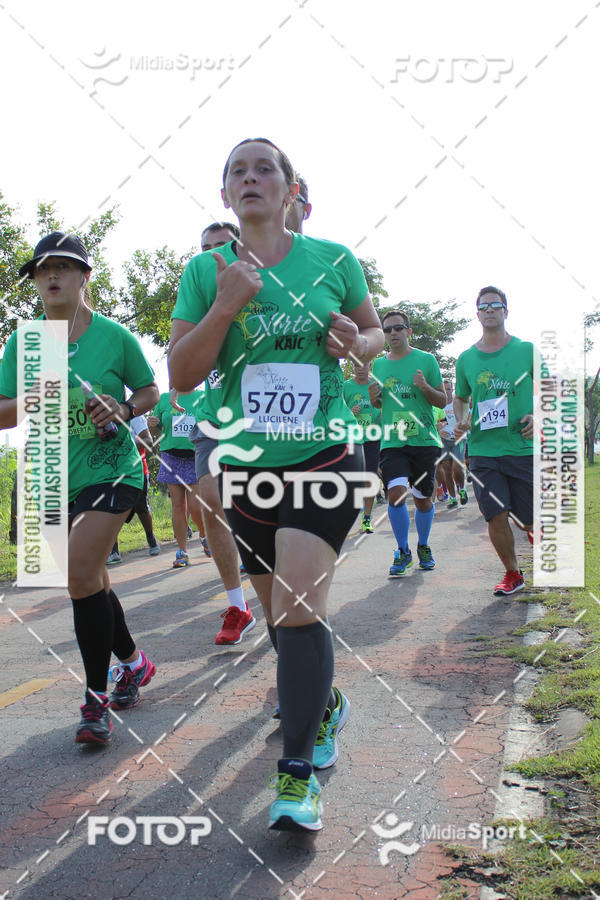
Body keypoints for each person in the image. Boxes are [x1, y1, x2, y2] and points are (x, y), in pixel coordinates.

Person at [168, 137, 384, 832]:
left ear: (292, 190)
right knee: (279, 616)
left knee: (294, 606)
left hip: (323, 458)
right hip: (247, 472)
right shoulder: (206, 272)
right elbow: (179, 373)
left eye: (266, 168)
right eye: (238, 171)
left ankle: (296, 779)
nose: (251, 177)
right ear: (225, 195)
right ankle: (321, 705)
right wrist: (226, 306)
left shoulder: (334, 260)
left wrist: (357, 342)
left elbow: (374, 335)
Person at [0, 232, 159, 744]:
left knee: (76, 571)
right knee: (88, 577)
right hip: (52, 470)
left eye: (63, 267)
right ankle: (133, 663)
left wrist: (125, 408)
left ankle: (95, 703)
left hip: (113, 467)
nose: (50, 276)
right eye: (42, 270)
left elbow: (150, 390)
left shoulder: (114, 336)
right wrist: (36, 397)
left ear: (85, 276)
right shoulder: (24, 343)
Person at [187, 220, 254, 645]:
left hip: (260, 423)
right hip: (212, 422)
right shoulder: (195, 304)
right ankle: (237, 604)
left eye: (223, 246)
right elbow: (184, 369)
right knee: (211, 503)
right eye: (205, 248)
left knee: (260, 513)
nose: (214, 256)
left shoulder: (261, 296)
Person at [454, 286, 533, 595]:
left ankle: (531, 527)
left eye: (495, 305)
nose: (489, 310)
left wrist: (537, 416)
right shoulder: (466, 358)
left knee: (528, 520)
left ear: (505, 311)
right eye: (483, 306)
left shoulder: (526, 350)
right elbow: (460, 398)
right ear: (477, 314)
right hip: (484, 450)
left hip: (521, 447)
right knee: (495, 513)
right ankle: (512, 573)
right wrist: (461, 417)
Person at [370, 310, 446, 576]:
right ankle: (402, 550)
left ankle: (423, 546)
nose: (393, 333)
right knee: (396, 493)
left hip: (424, 441)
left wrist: (425, 386)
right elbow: (379, 403)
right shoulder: (378, 365)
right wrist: (374, 398)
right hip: (393, 441)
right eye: (388, 329)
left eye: (398, 328)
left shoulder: (426, 360)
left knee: (424, 500)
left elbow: (442, 400)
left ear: (408, 331)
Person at [147, 388, 210, 567]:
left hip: (195, 455)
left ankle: (204, 536)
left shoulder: (202, 396)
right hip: (171, 456)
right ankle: (182, 552)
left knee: (196, 506)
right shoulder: (165, 399)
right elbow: (158, 430)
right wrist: (152, 424)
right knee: (178, 506)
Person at [106, 414, 160, 563]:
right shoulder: (102, 415)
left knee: (141, 508)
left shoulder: (134, 415)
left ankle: (150, 537)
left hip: (136, 470)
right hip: (110, 471)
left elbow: (148, 441)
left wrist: (129, 442)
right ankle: (113, 550)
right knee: (110, 509)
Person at [343, 360, 381, 532]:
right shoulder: (346, 387)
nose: (360, 369)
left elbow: (387, 407)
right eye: (357, 366)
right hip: (352, 439)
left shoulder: (377, 385)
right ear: (353, 367)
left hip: (373, 439)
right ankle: (347, 515)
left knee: (370, 478)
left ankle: (367, 518)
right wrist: (349, 413)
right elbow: (336, 411)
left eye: (363, 365)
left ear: (369, 365)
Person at [437, 379, 468, 509]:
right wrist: (438, 429)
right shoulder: (437, 404)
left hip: (458, 439)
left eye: (449, 389)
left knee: (457, 467)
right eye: (444, 389)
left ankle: (461, 488)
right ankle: (452, 498)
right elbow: (433, 421)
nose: (447, 392)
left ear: (452, 390)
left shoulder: (457, 403)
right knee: (446, 468)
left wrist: (461, 427)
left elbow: (465, 418)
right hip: (444, 440)